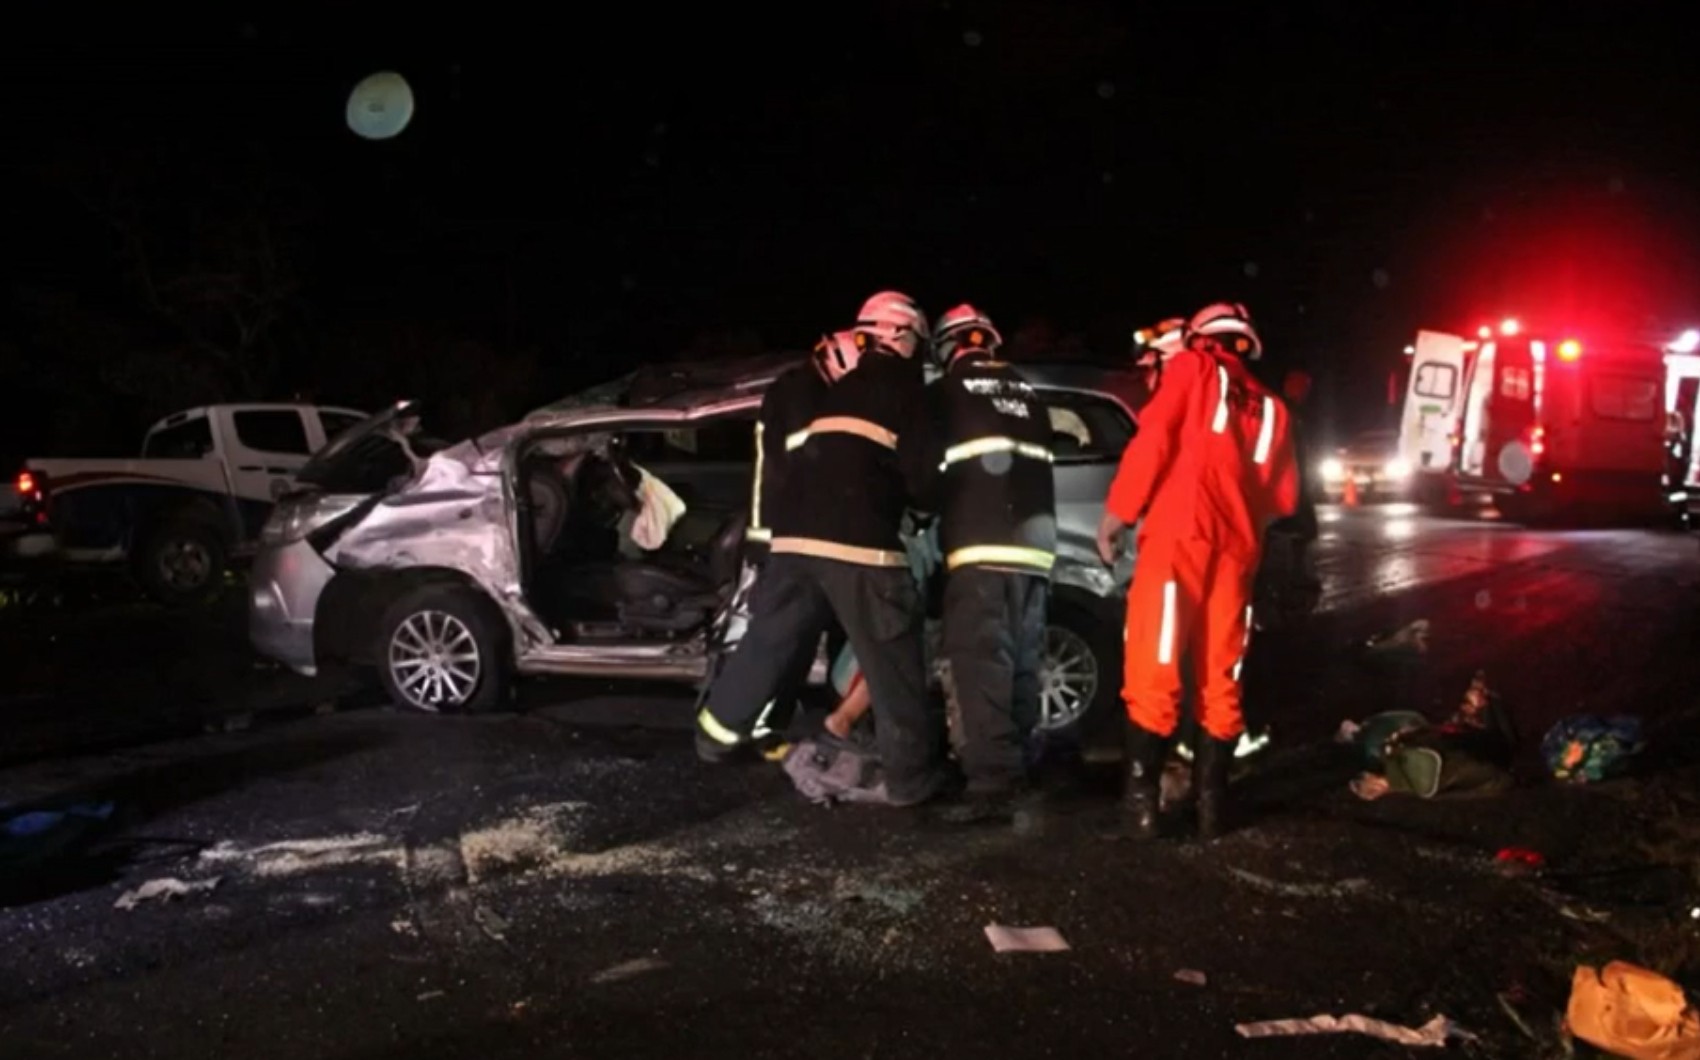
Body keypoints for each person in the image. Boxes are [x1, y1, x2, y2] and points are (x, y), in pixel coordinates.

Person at [697, 291, 948, 807]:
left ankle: (715, 737)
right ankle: (911, 779)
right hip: (859, 546)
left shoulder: (840, 389)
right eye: (917, 341)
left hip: (793, 542)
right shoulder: (909, 391)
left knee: (768, 643)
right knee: (894, 658)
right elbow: (925, 483)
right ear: (899, 337)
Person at [1096, 302, 1298, 839]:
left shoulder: (1192, 368)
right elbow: (1284, 498)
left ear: (1201, 338)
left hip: (1178, 536)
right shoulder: (1272, 407)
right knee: (1220, 675)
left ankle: (1141, 812)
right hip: (1237, 550)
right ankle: (1213, 811)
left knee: (1155, 662)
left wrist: (1118, 514)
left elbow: (1154, 438)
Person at [917, 304, 1057, 821]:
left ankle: (991, 781)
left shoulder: (946, 393)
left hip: (979, 546)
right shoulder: (1026, 391)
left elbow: (925, 473)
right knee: (1021, 662)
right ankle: (1017, 762)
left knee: (979, 665)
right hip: (1036, 550)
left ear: (945, 348)